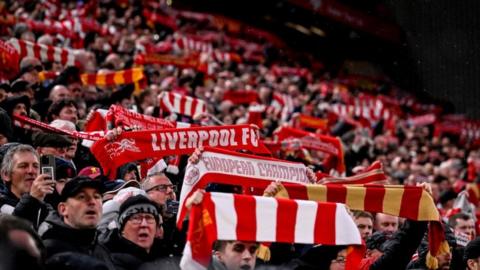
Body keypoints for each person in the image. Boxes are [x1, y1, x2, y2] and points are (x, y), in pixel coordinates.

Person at [38, 176, 113, 270]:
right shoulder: (48, 252)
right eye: (81, 197)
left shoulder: (102, 249)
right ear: (63, 209)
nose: (92, 202)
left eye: (96, 196)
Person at [102, 194, 166, 270]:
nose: (144, 224)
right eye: (136, 218)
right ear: (122, 229)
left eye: (149, 218)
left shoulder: (168, 257)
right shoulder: (107, 262)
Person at [0, 144, 54, 216]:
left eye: (36, 166)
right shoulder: (2, 206)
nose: (31, 171)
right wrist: (32, 200)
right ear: (6, 175)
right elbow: (17, 225)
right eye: (23, 166)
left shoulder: (46, 208)